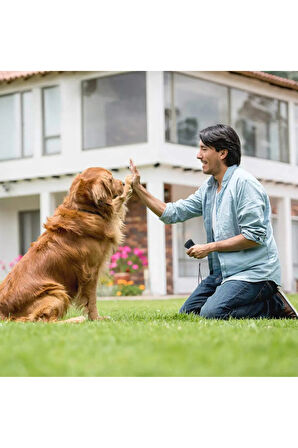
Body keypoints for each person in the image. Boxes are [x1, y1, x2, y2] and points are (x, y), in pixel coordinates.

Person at [129, 124, 297, 319]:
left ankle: (273, 305)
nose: (198, 155)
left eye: (204, 149)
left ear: (222, 153)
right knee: (189, 313)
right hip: (222, 274)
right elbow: (173, 213)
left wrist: (209, 248)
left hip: (254, 274)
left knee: (212, 313)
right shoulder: (209, 188)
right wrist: (139, 188)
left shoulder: (244, 184)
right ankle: (259, 301)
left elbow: (254, 237)